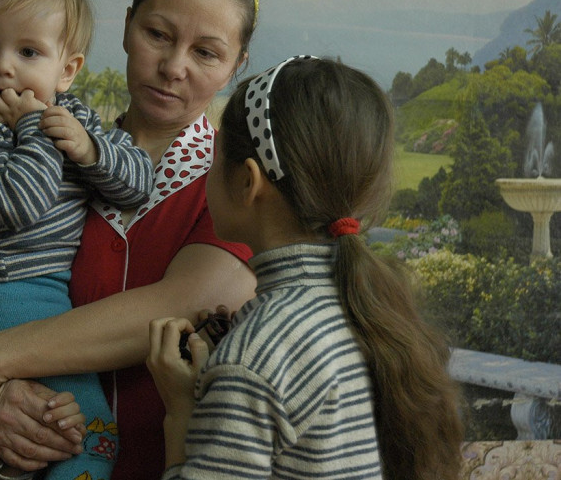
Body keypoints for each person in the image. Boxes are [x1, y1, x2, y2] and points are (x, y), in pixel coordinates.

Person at [0, 0, 261, 480]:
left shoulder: (238, 185)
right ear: (127, 27)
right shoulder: (62, 149)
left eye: (206, 53)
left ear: (235, 66)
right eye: (158, 35)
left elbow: (184, 304)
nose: (173, 67)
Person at [147, 56, 465, 479]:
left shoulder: (254, 357)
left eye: (213, 160)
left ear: (247, 181)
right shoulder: (365, 308)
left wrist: (181, 412)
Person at [0, 0, 154, 480]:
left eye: (28, 52)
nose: (3, 67)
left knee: (36, 434)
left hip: (41, 299)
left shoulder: (73, 117)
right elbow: (18, 204)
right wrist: (34, 128)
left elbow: (138, 185)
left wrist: (91, 150)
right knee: (89, 434)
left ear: (67, 69)